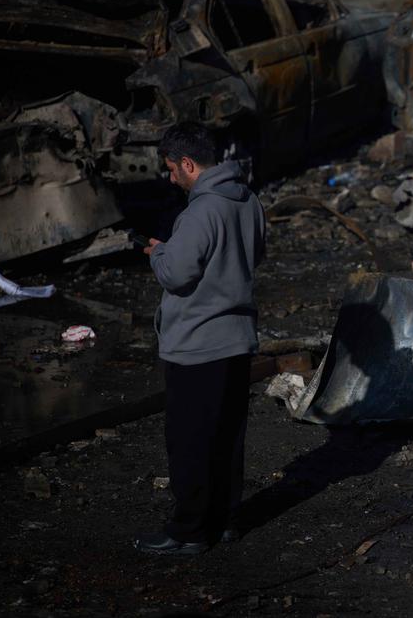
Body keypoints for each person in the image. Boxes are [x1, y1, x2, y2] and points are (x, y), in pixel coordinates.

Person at [135, 122, 266, 555]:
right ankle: (225, 520)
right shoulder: (248, 201)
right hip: (237, 341)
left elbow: (176, 273)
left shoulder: (200, 210)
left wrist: (159, 254)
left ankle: (190, 531)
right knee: (227, 436)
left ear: (189, 164)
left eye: (173, 169)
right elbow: (250, 255)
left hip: (196, 346)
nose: (171, 178)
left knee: (190, 441)